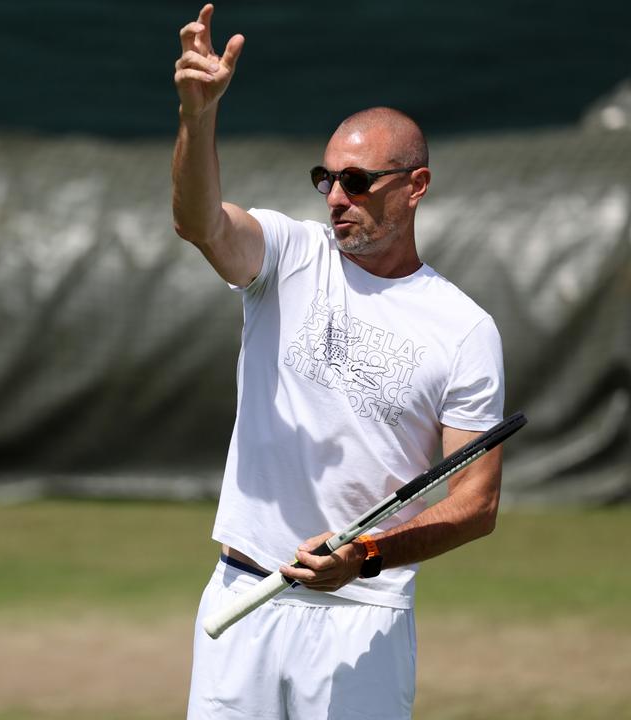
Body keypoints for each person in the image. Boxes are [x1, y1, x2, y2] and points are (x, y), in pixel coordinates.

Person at [171, 5, 505, 719]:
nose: (336, 198)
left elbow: (476, 504)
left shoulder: (464, 330)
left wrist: (370, 553)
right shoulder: (288, 253)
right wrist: (197, 118)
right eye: (327, 178)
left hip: (365, 614)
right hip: (243, 595)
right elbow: (198, 224)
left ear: (415, 186)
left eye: (359, 182)